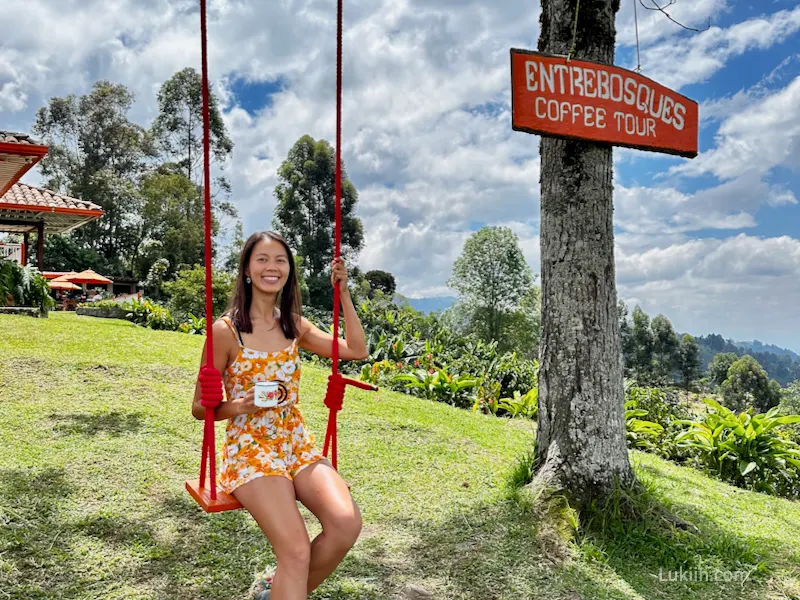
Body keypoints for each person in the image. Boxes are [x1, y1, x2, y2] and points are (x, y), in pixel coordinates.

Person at [191, 230, 369, 600]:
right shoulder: (225, 332)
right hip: (251, 449)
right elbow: (200, 408)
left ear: (289, 271)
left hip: (295, 442)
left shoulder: (293, 325)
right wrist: (242, 405)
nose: (272, 267)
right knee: (296, 551)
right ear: (246, 269)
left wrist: (344, 292)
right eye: (262, 259)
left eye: (280, 261)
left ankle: (272, 593)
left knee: (345, 525)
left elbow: (356, 349)